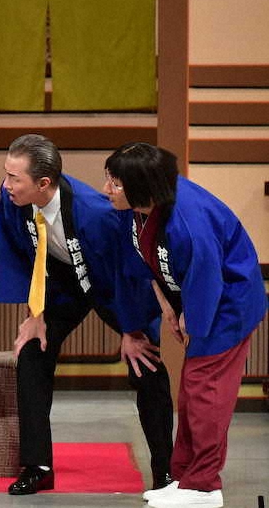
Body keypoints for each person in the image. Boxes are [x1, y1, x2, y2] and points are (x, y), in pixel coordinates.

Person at [0, 134, 173, 496]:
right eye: (6, 174)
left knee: (145, 364)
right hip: (62, 282)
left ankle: (165, 472)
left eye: (14, 178)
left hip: (110, 284)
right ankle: (37, 465)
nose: (6, 184)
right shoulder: (13, 198)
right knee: (32, 353)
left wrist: (131, 328)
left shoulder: (97, 213)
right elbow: (17, 252)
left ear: (43, 183)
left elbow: (127, 269)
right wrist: (35, 313)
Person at [103, 143, 266, 508]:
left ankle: (205, 486)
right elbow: (148, 264)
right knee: (191, 392)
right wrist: (167, 307)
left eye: (115, 183)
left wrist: (191, 318)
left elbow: (206, 278)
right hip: (193, 299)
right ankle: (185, 479)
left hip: (228, 303)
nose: (106, 189)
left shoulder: (190, 220)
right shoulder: (142, 208)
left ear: (142, 187)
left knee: (206, 391)